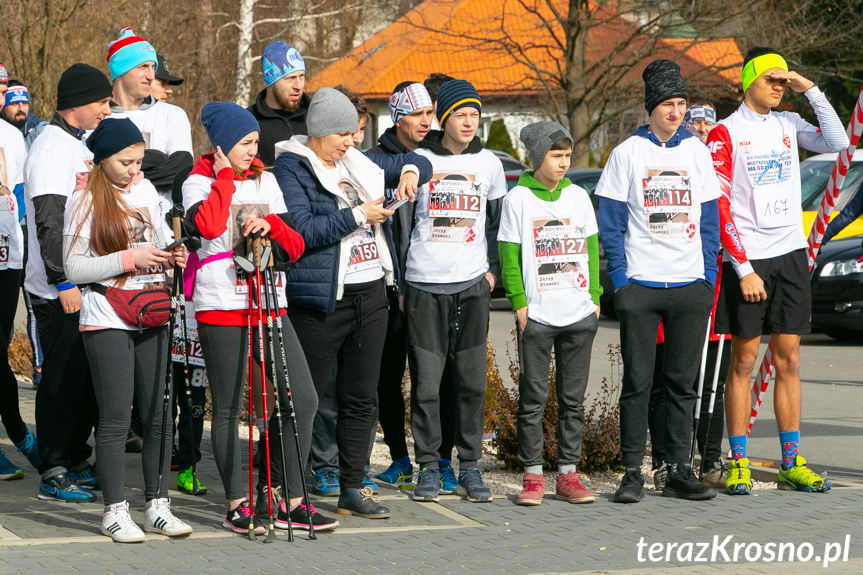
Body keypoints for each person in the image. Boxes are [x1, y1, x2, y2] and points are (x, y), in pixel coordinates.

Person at [273, 87, 430, 519]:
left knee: (362, 398)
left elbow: (421, 159)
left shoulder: (353, 162)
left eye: (355, 132)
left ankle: (352, 485)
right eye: (343, 133)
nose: (352, 141)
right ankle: (288, 489)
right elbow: (303, 231)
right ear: (319, 130)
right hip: (322, 301)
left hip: (371, 293)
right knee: (303, 399)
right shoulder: (292, 168)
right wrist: (361, 214)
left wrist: (412, 170)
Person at [182, 101, 334, 533]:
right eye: (244, 143)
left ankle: (290, 497)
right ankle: (236, 504)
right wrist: (224, 175)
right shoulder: (197, 181)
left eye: (254, 142)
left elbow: (296, 244)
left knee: (301, 397)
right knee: (228, 408)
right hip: (222, 305)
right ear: (222, 145)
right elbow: (210, 227)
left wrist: (270, 225)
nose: (253, 149)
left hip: (269, 303)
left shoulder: (267, 179)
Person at [707, 48, 848, 494]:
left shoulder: (788, 122)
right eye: (772, 78)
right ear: (748, 79)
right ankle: (740, 463)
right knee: (744, 361)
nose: (778, 86)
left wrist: (811, 89)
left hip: (789, 255)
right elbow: (719, 204)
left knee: (788, 359)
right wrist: (743, 267)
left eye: (784, 81)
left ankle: (790, 459)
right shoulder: (724, 132)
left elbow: (840, 142)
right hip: (748, 259)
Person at [62, 117, 191, 542]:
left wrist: (172, 254)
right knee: (117, 417)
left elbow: (154, 238)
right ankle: (115, 510)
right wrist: (129, 258)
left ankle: (158, 505)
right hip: (105, 314)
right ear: (102, 160)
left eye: (139, 161)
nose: (135, 170)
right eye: (125, 162)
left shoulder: (145, 189)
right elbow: (74, 267)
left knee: (158, 414)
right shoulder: (83, 198)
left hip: (150, 308)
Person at [596, 59, 720, 504]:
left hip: (689, 285)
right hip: (642, 287)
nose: (676, 112)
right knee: (639, 382)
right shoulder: (627, 152)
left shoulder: (696, 152)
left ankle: (678, 470)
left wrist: (707, 277)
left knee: (682, 384)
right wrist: (622, 283)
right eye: (668, 103)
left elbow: (710, 219)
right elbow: (608, 223)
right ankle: (632, 472)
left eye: (682, 103)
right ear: (652, 106)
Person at [404, 79, 506, 504]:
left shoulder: (490, 165)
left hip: (471, 287)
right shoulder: (419, 159)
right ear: (443, 118)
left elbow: (498, 224)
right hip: (424, 286)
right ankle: (428, 467)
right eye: (461, 114)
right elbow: (401, 222)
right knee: (427, 385)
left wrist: (492, 274)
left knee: (471, 384)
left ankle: (469, 468)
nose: (469, 122)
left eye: (475, 115)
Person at [498, 121, 601, 506]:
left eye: (567, 156)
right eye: (555, 156)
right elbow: (509, 256)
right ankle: (533, 476)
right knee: (533, 399)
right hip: (537, 316)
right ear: (537, 156)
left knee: (573, 400)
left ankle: (568, 474)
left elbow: (590, 248)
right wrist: (520, 305)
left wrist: (595, 298)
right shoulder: (518, 200)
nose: (563, 163)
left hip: (579, 314)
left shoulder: (577, 197)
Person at [24, 63, 112, 502]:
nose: (106, 108)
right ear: (78, 102)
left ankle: (76, 457)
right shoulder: (48, 149)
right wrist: (62, 282)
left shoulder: (77, 145)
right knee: (59, 382)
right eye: (102, 101)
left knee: (83, 380)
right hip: (56, 291)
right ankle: (53, 467)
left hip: (86, 284)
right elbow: (48, 222)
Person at [368, 81, 459, 492]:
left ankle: (441, 460)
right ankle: (401, 460)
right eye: (418, 115)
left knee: (439, 377)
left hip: (431, 283)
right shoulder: (371, 161)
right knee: (387, 376)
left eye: (431, 114)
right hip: (387, 286)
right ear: (397, 116)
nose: (427, 122)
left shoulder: (438, 155)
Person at [0, 103, 40, 480]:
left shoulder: (11, 136)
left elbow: (20, 198)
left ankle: (19, 435)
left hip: (7, 257)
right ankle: (17, 434)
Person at [106, 28, 194, 194]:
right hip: (109, 216)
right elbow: (92, 173)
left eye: (153, 67)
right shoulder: (98, 117)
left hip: (160, 218)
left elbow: (181, 169)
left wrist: (125, 177)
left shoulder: (172, 114)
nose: (151, 75)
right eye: (143, 67)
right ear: (121, 71)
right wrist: (157, 158)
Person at [248, 41, 309, 166]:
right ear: (270, 80)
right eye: (290, 78)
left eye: (301, 76)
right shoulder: (249, 121)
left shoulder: (315, 115)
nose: (298, 86)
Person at [2, 83, 49, 149]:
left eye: (24, 103)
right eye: (15, 104)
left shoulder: (41, 131)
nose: (21, 109)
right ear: (3, 107)